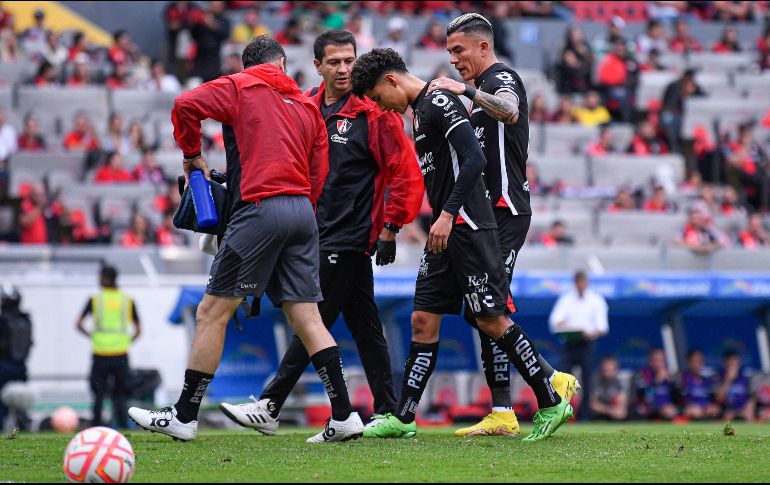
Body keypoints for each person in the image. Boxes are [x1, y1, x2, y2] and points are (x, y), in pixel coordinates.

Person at [128, 36, 363, 443]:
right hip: (303, 213)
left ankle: (184, 415)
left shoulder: (241, 85)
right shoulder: (308, 106)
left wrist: (191, 154)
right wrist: (297, 204)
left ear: (247, 65)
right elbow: (319, 171)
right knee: (307, 317)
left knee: (211, 313)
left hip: (260, 209)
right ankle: (344, 415)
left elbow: (185, 105)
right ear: (284, 66)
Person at [352, 47, 573, 442]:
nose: (380, 106)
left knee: (490, 318)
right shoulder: (419, 113)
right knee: (423, 318)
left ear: (390, 80)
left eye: (377, 97)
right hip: (445, 233)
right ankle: (403, 418)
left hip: (468, 225)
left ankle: (550, 398)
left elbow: (474, 160)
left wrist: (447, 213)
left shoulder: (439, 101)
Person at [218, 30, 423, 435]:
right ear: (317, 67)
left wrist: (391, 226)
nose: (344, 68)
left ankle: (271, 402)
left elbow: (403, 171)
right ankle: (393, 414)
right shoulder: (303, 106)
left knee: (311, 320)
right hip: (310, 232)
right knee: (365, 327)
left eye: (350, 60)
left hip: (346, 236)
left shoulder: (373, 111)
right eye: (335, 62)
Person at [424, 13, 579, 437]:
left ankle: (551, 384)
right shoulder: (480, 91)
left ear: (482, 47)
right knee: (481, 310)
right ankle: (503, 411)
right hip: (487, 214)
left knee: (489, 309)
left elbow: (509, 112)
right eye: (449, 52)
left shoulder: (501, 78)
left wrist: (467, 90)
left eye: (459, 50)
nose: (453, 59)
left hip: (506, 210)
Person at [76, 266, 141, 428]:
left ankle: (96, 426)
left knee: (98, 393)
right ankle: (123, 428)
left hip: (100, 353)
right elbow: (138, 329)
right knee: (120, 394)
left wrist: (94, 337)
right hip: (120, 353)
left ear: (105, 278)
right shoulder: (127, 300)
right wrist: (125, 341)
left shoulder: (95, 299)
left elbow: (79, 324)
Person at [549, 270, 609, 419]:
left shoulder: (596, 300)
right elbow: (554, 322)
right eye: (578, 282)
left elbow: (602, 327)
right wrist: (569, 326)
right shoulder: (566, 299)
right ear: (575, 283)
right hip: (569, 344)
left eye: (583, 281)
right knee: (563, 380)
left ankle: (586, 416)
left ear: (587, 282)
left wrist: (590, 333)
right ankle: (560, 413)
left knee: (587, 381)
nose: (581, 285)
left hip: (587, 344)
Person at [0, 285, 33, 430]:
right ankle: (23, 426)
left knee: (2, 401)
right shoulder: (26, 320)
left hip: (4, 365)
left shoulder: (3, 320)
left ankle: (3, 428)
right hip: (21, 366)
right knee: (20, 402)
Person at [633, 348, 679, 420]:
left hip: (668, 408)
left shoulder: (669, 375)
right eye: (655, 360)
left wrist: (674, 383)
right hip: (649, 408)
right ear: (650, 361)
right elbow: (644, 396)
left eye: (661, 361)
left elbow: (677, 397)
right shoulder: (643, 374)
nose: (658, 364)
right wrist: (656, 382)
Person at [680, 349, 720, 420]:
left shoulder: (708, 380)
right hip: (691, 409)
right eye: (694, 361)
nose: (697, 364)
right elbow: (680, 399)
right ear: (689, 362)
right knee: (695, 411)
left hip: (706, 409)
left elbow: (715, 399)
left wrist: (710, 406)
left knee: (715, 410)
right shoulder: (683, 378)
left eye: (700, 361)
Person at [715, 351, 755, 421]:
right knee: (728, 416)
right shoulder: (719, 377)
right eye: (730, 363)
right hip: (726, 412)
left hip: (743, 410)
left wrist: (749, 407)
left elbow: (751, 397)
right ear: (725, 363)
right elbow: (719, 398)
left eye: (735, 363)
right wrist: (728, 379)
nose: (733, 366)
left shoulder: (745, 378)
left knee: (749, 411)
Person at [590, 356, 628, 421]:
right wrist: (609, 410)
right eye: (605, 370)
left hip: (614, 413)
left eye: (610, 370)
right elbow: (593, 404)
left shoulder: (618, 382)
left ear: (616, 370)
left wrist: (620, 410)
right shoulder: (595, 381)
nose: (607, 374)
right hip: (598, 414)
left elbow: (622, 402)